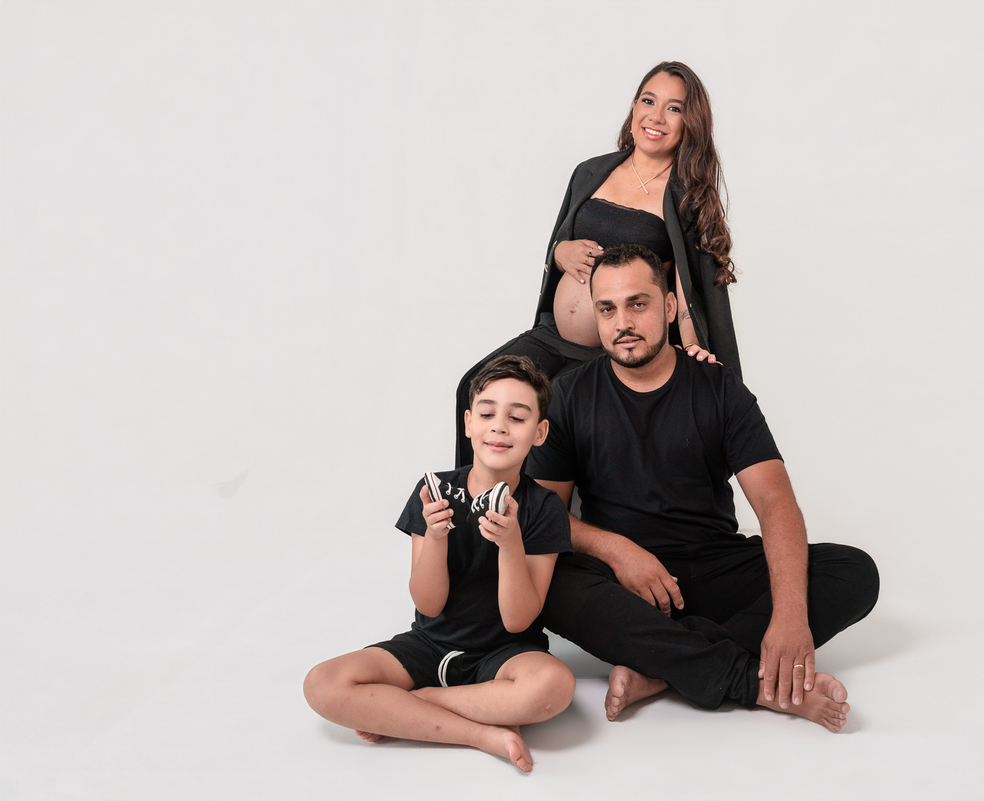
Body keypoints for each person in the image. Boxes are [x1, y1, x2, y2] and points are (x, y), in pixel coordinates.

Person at [526, 244, 879, 732]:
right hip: (624, 586)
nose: (622, 322)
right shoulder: (568, 395)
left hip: (713, 566)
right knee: (543, 581)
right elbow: (543, 512)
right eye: (607, 309)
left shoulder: (719, 388)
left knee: (854, 572)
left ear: (670, 306)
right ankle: (745, 681)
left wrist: (790, 616)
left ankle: (662, 669)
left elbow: (775, 501)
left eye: (638, 304)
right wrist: (617, 550)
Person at [455, 61, 736, 466]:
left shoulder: (685, 195)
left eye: (674, 108)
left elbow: (685, 288)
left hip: (614, 352)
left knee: (550, 423)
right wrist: (560, 252)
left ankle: (536, 507)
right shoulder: (591, 171)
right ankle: (475, 498)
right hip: (553, 337)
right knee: (475, 388)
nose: (656, 116)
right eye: (648, 101)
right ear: (634, 107)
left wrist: (693, 349)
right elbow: (560, 242)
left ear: (690, 123)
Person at [303, 356, 575, 773]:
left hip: (506, 654)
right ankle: (480, 733)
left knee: (554, 687)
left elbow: (518, 619)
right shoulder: (435, 492)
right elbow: (428, 604)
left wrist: (510, 544)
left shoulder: (544, 508)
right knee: (322, 684)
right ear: (468, 423)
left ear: (539, 432)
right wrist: (434, 536)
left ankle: (417, 706)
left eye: (517, 418)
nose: (499, 427)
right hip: (429, 644)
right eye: (487, 414)